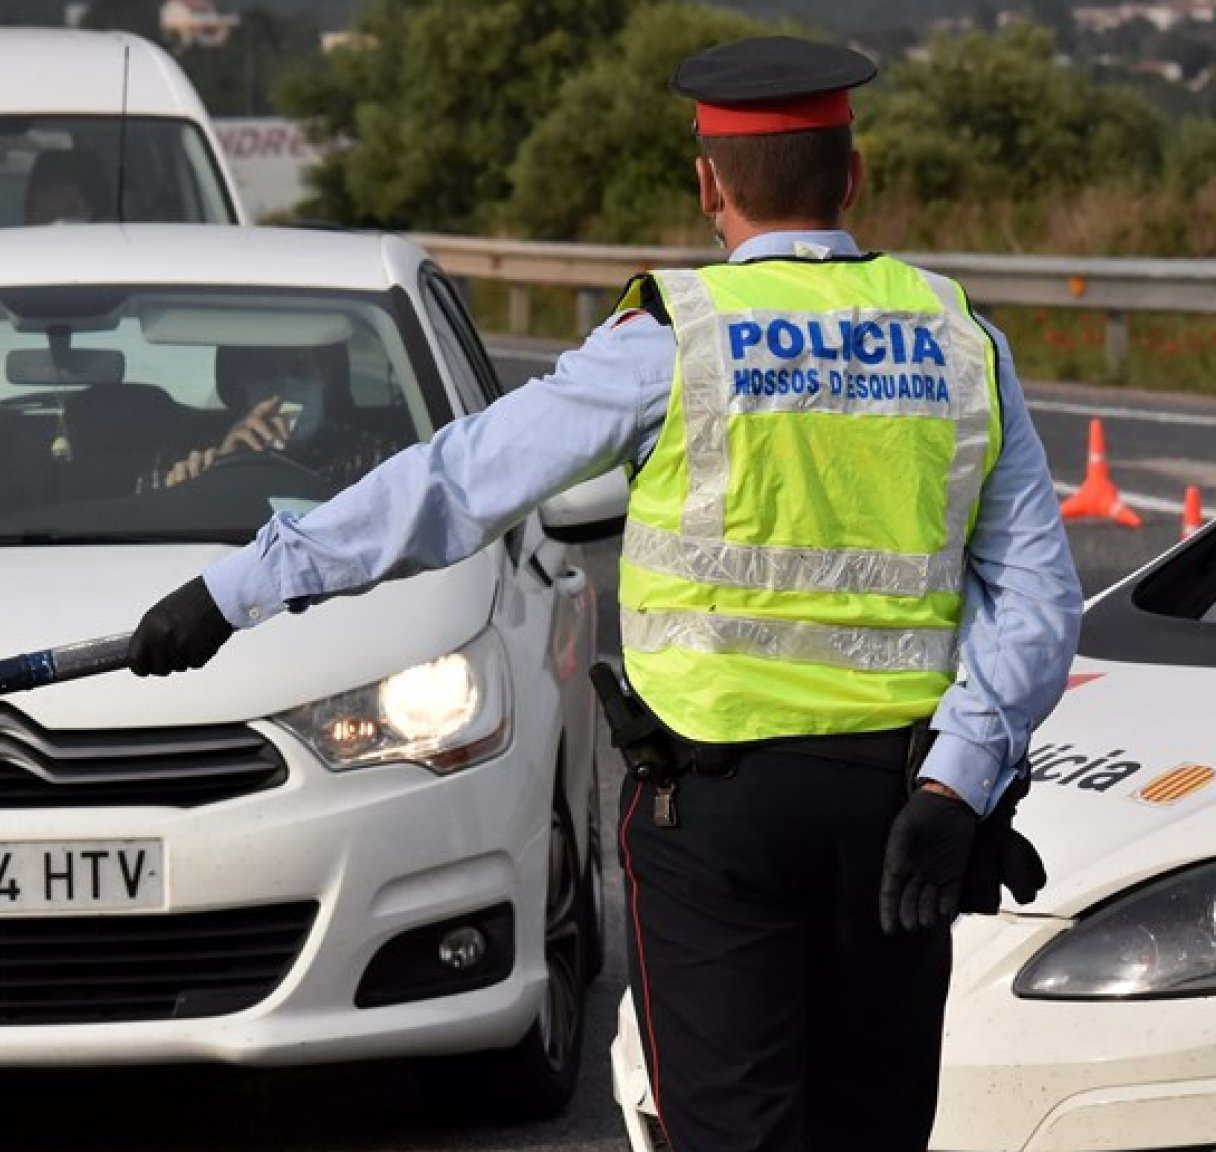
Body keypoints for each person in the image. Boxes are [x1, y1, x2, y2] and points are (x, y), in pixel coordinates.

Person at [124, 36, 1081, 1152]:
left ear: (708, 182)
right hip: (898, 810)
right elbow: (1036, 601)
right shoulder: (958, 338)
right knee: (870, 1130)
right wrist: (956, 787)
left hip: (716, 815)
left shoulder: (672, 340)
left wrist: (237, 590)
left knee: (733, 1133)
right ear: (851, 174)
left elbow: (452, 485)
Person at [159, 343, 401, 490]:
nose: (284, 387)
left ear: (326, 380)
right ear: (238, 384)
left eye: (300, 370)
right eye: (264, 372)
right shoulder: (189, 453)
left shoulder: (370, 457)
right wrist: (222, 466)